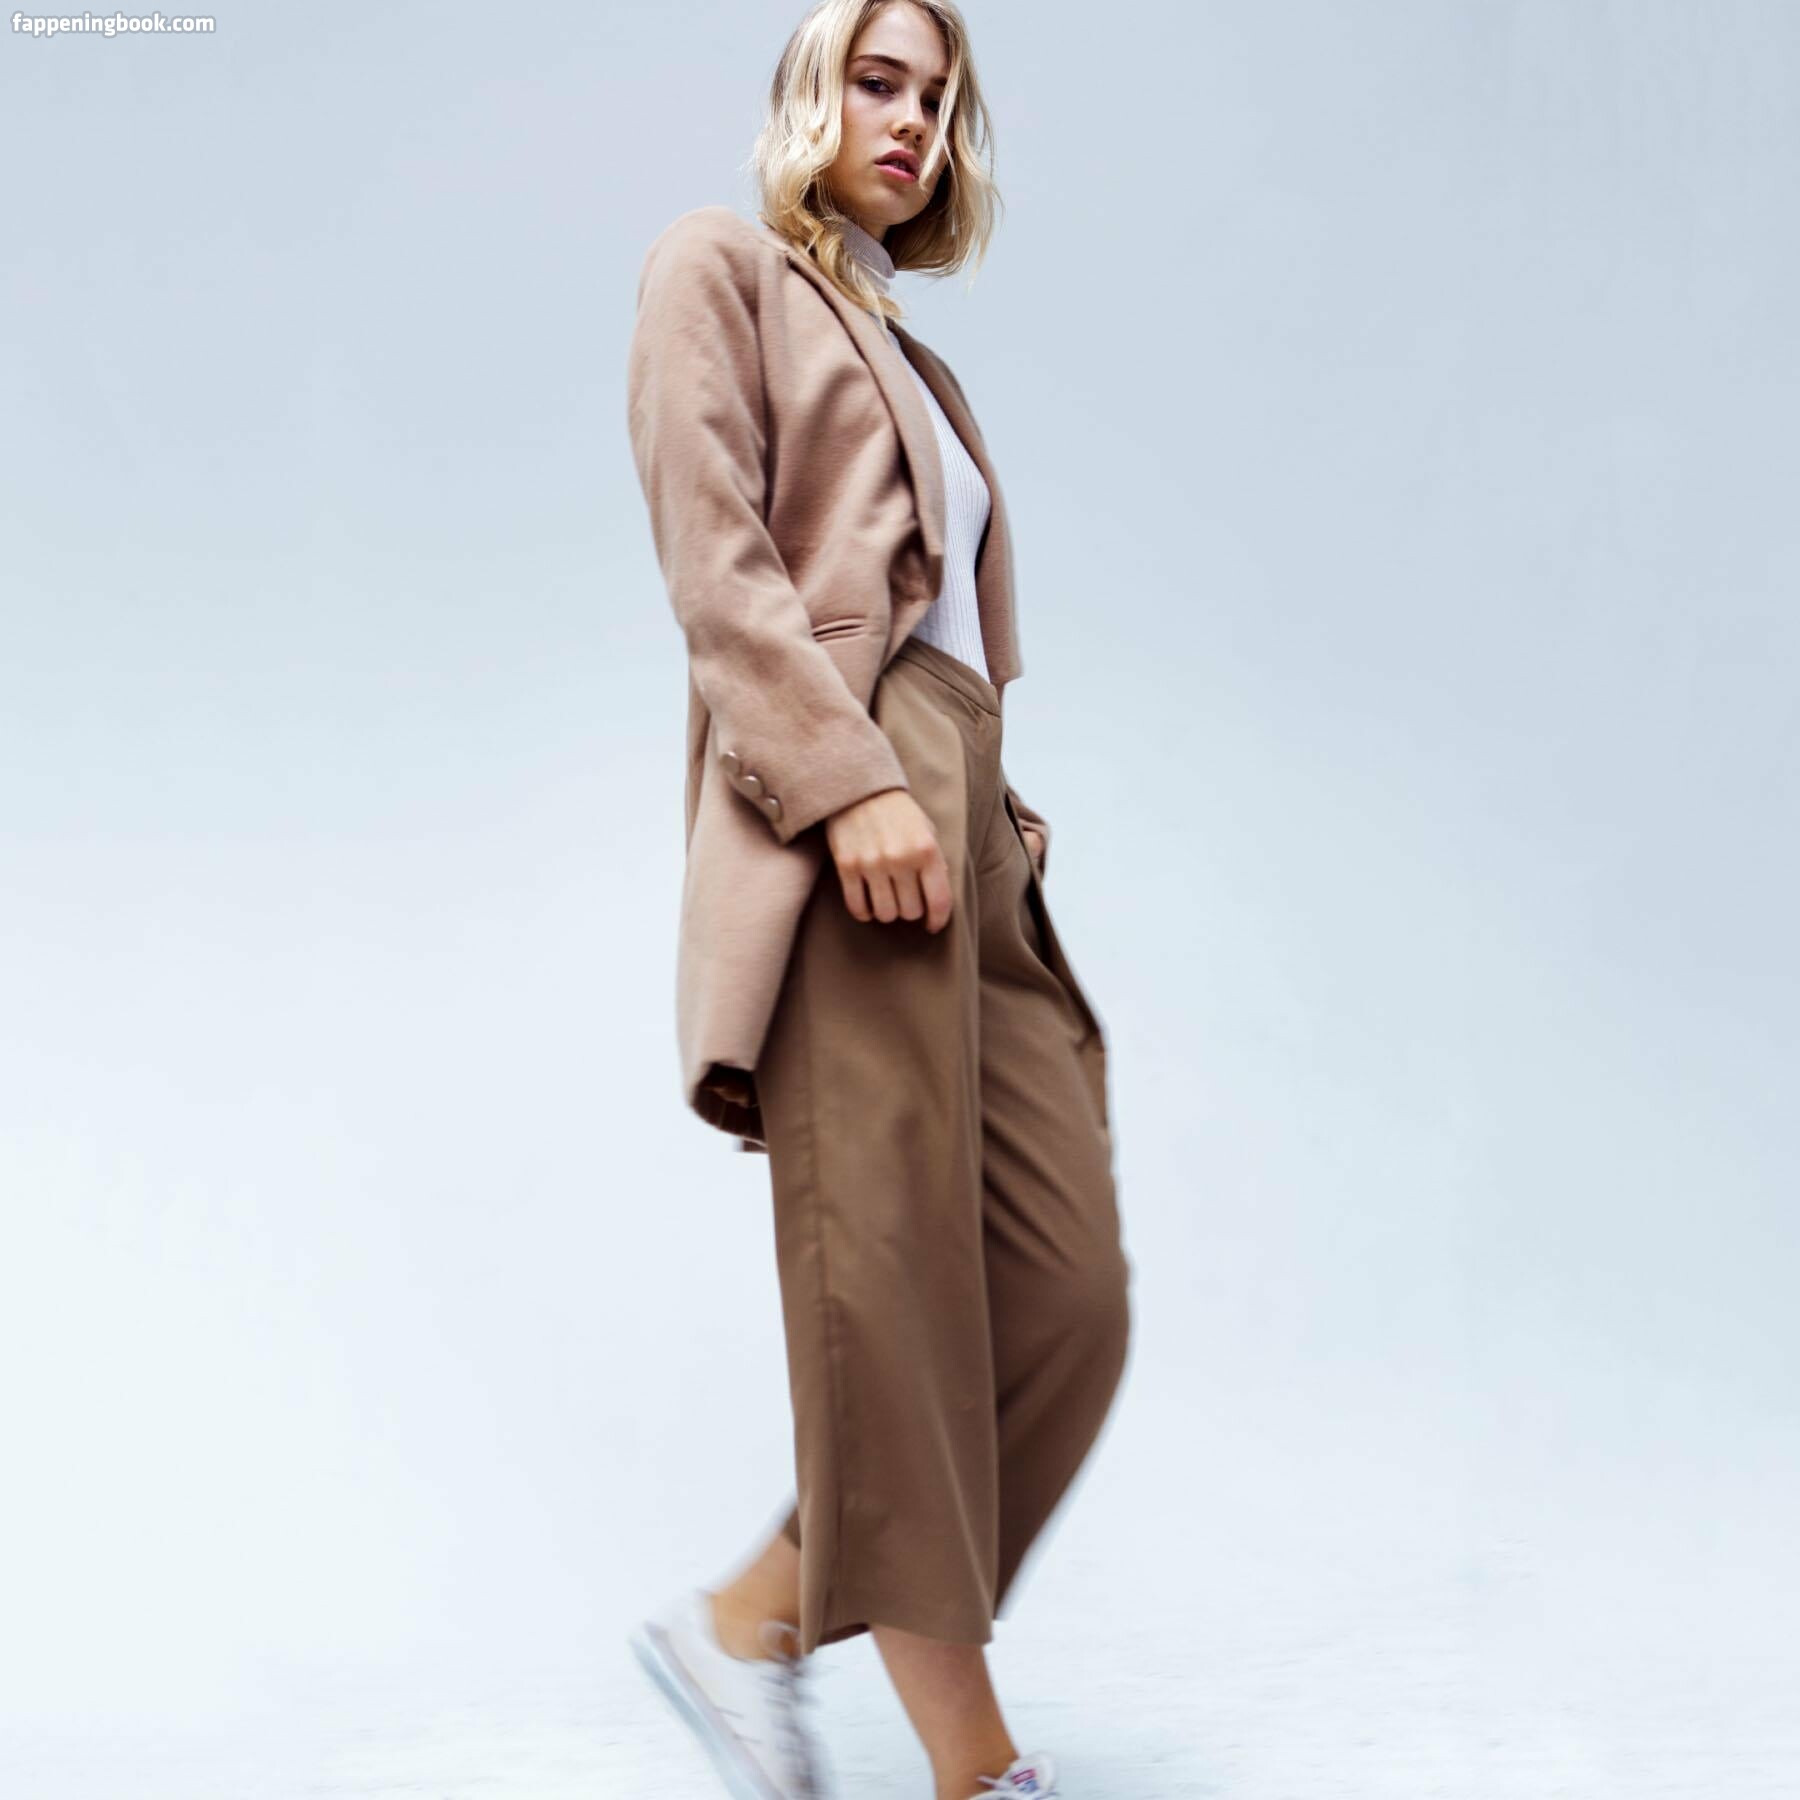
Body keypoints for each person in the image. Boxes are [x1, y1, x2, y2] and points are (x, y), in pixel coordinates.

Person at [623, 3, 1133, 1795]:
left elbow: (942, 620)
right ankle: (979, 1771)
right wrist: (849, 786)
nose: (910, 119)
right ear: (808, 95)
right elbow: (719, 565)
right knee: (898, 1292)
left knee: (1068, 1295)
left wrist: (1000, 808)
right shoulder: (718, 268)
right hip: (850, 799)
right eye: (876, 79)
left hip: (966, 813)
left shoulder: (916, 358)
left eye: (939, 96)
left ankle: (755, 1611)